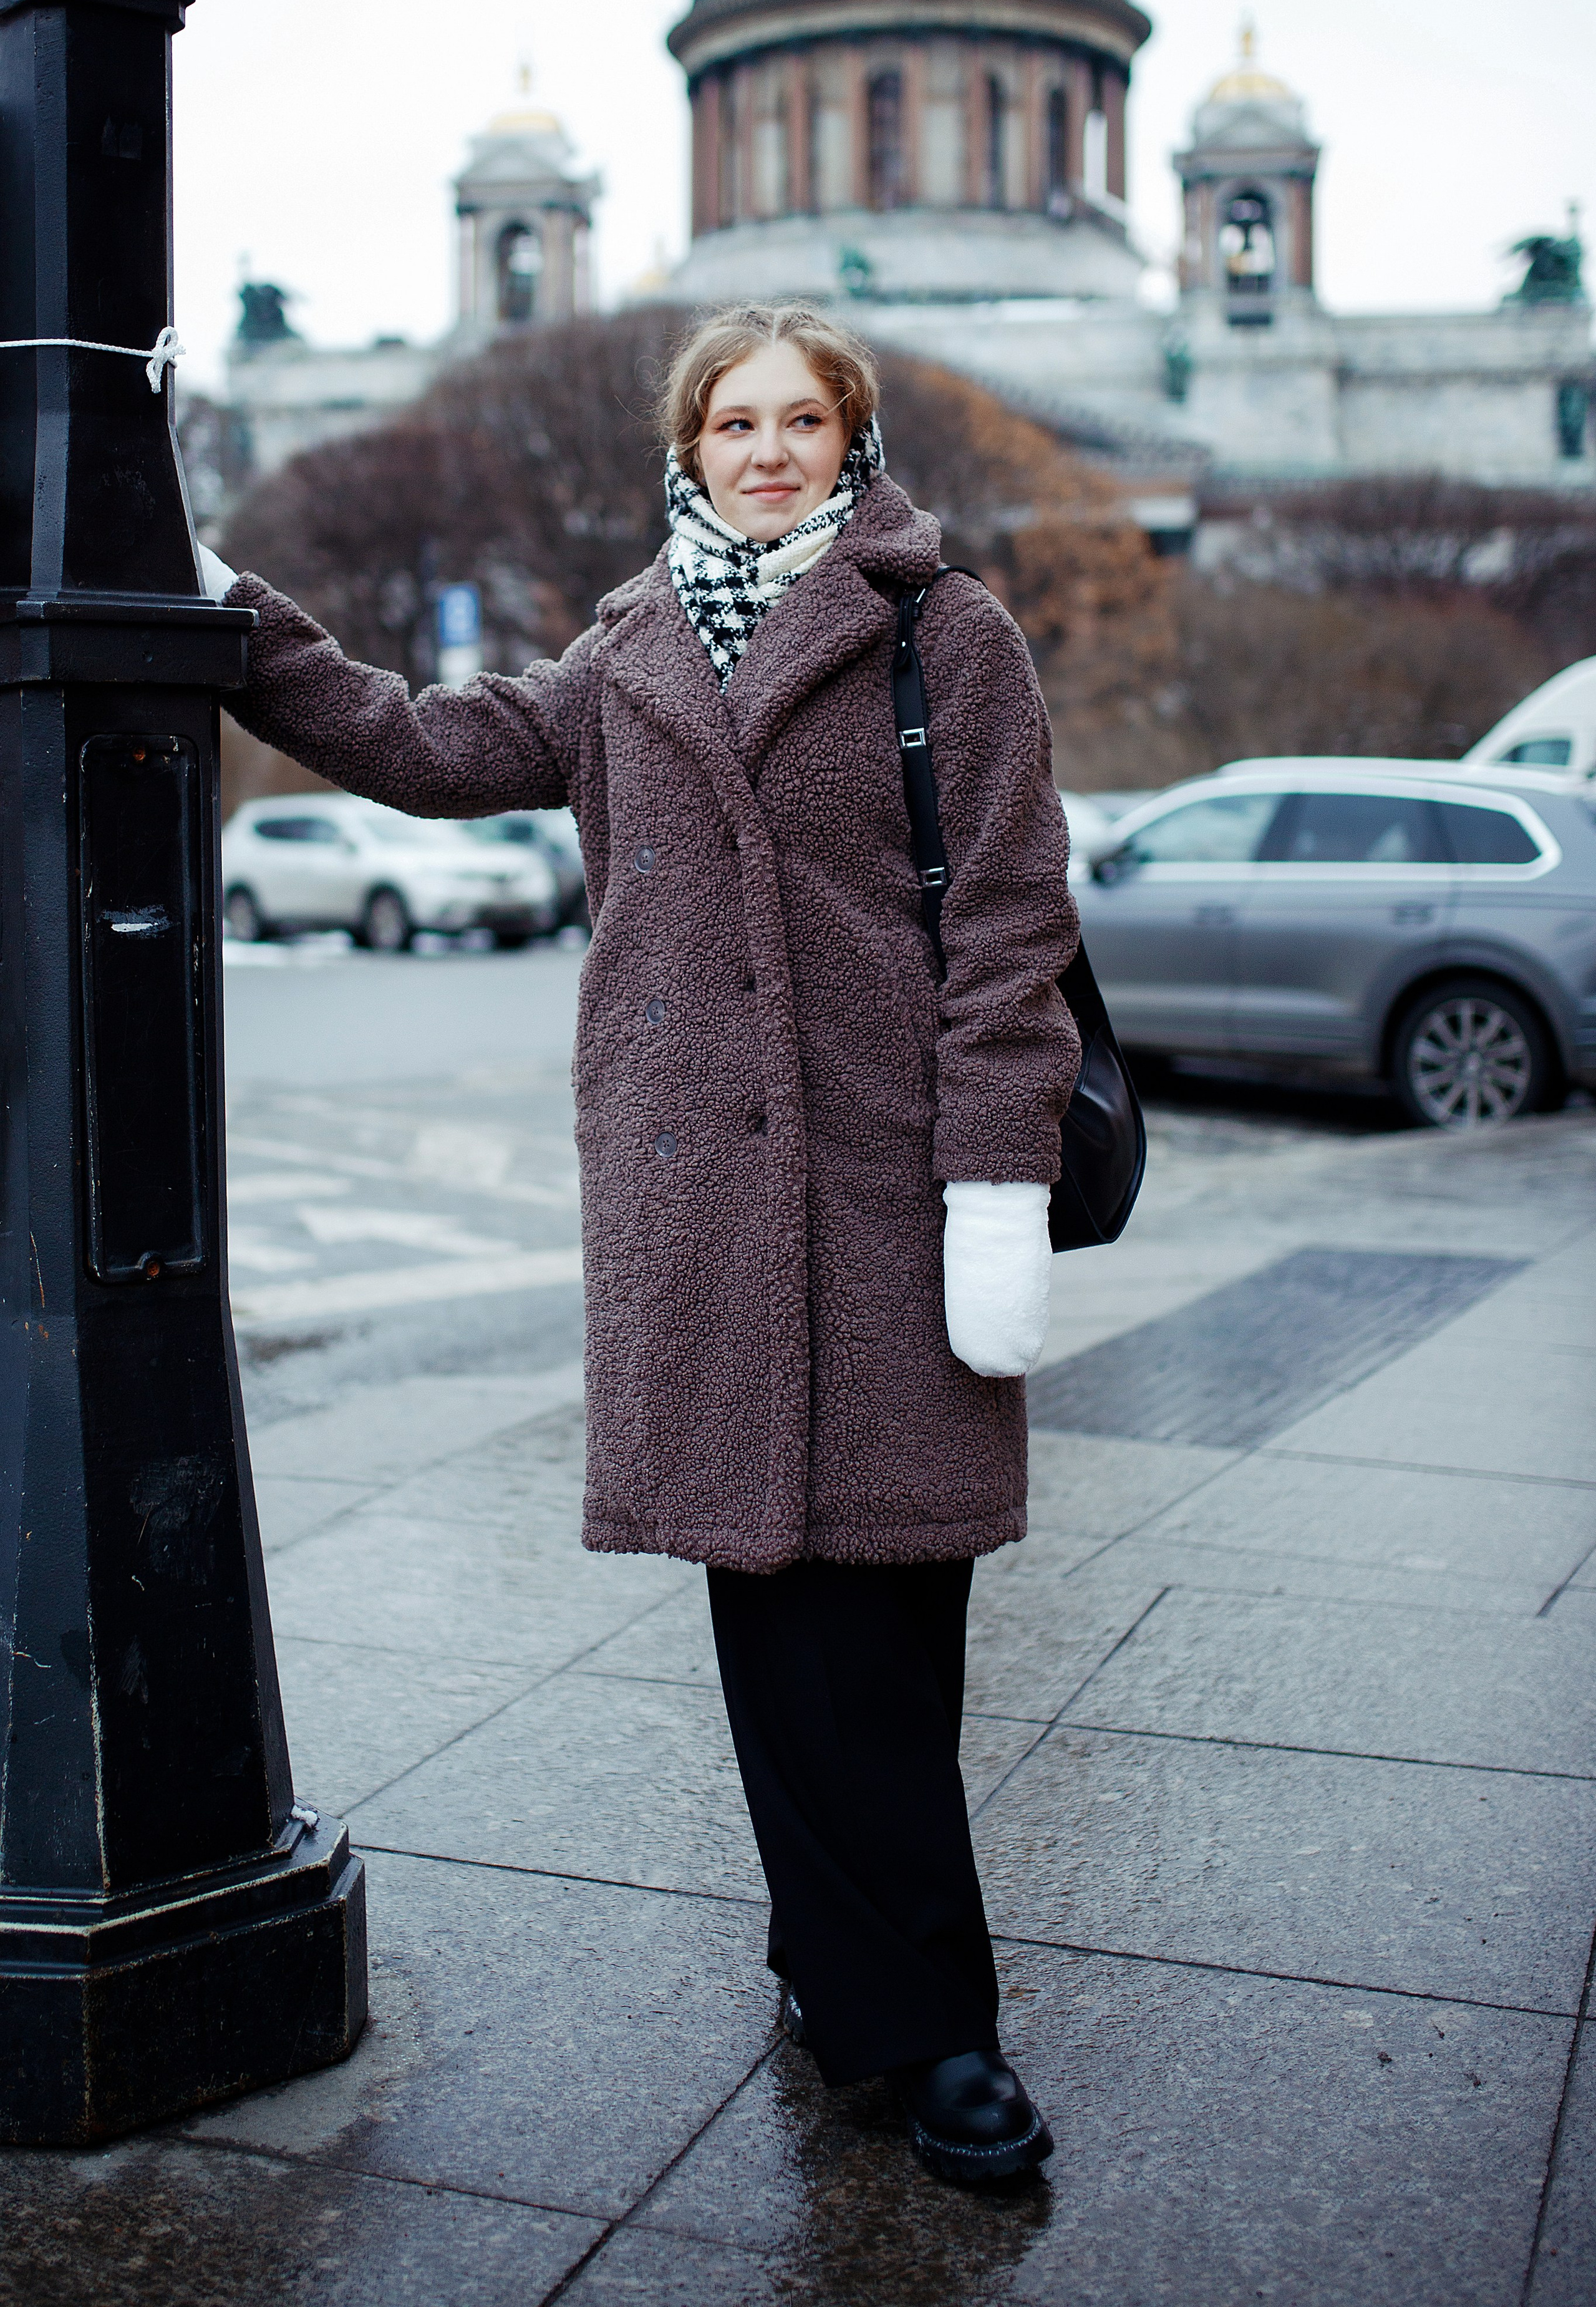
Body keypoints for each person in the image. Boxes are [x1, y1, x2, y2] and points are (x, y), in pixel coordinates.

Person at [204, 303, 1080, 2186]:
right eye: (731, 423)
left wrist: (995, 1183)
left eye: (800, 419)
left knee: (896, 1623)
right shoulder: (625, 652)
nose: (765, 449)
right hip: (704, 1203)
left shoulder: (951, 634)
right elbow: (427, 743)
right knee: (771, 1615)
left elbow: (1010, 933)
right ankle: (852, 1981)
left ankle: (935, 2023)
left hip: (895, 1188)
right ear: (687, 452)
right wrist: (236, 621)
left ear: (851, 439)